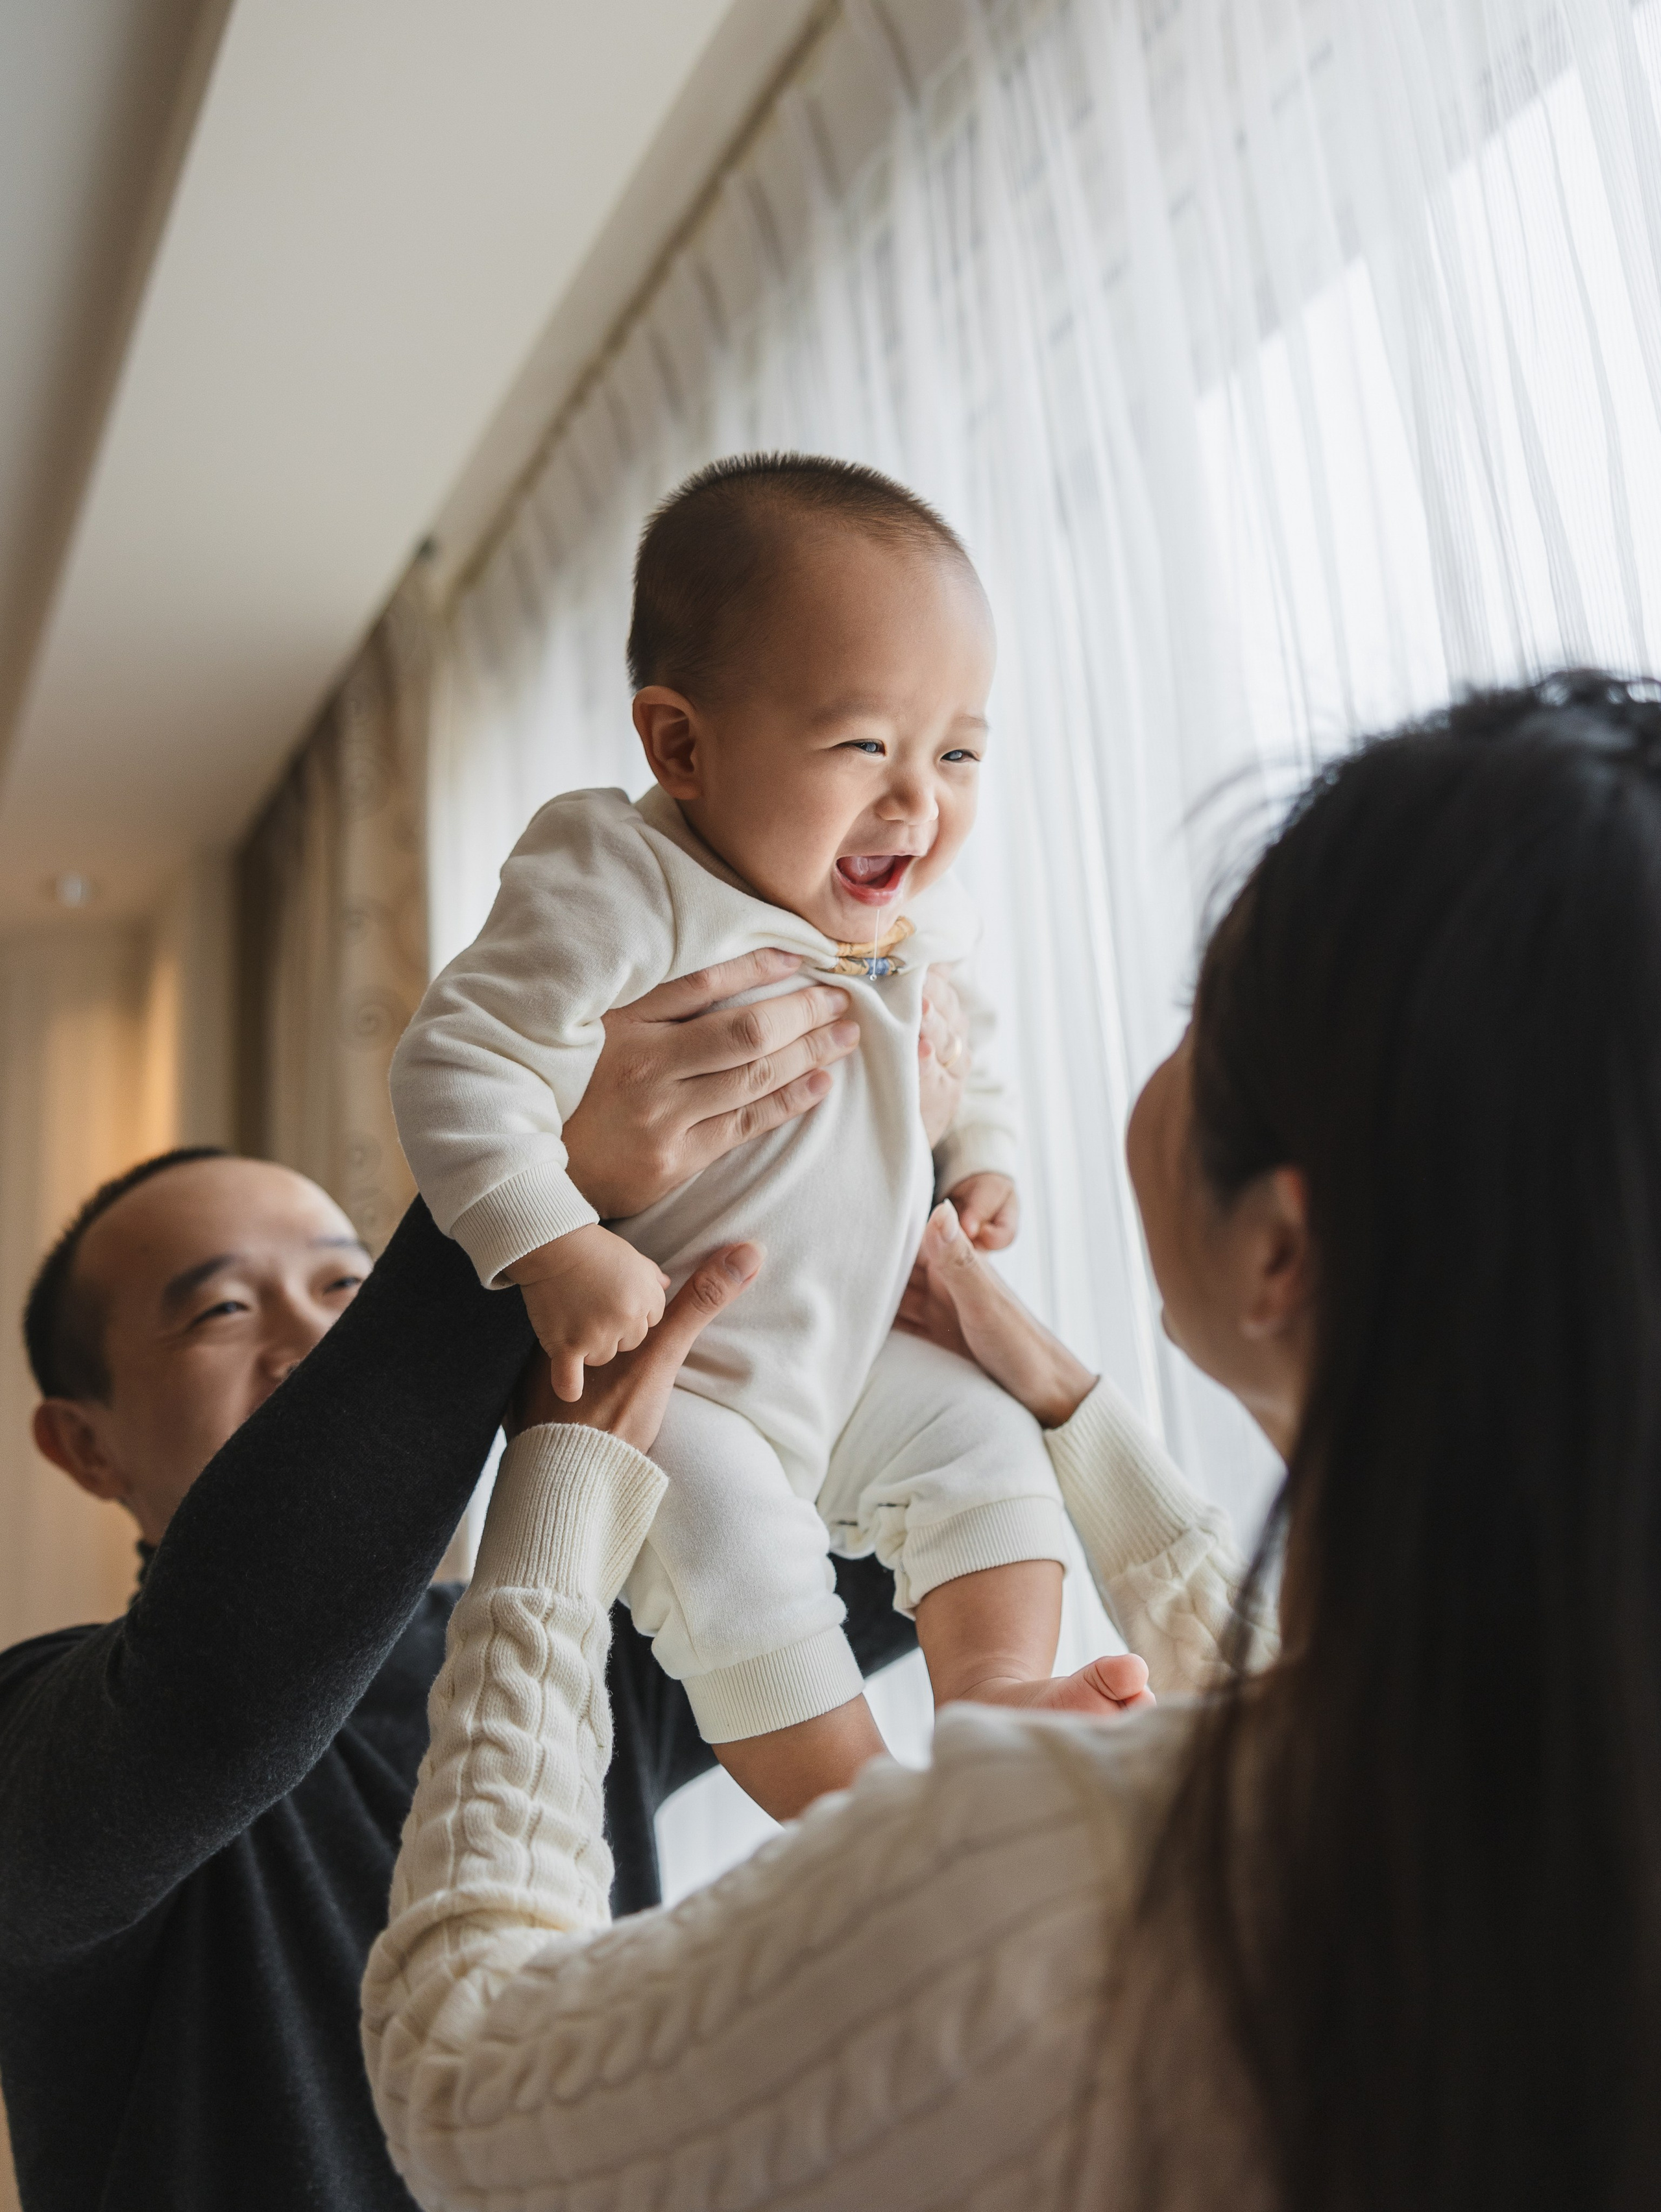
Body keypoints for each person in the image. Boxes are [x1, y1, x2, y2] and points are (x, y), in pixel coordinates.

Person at [364, 671, 1661, 2212]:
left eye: (1202, 1016)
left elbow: (463, 2087)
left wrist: (557, 1504)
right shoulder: (1538, 1777)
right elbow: (1301, 1706)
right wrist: (1056, 1393)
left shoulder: (1069, 1889)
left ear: (1280, 1250)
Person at [0, 952, 964, 2212]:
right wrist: (540, 1186)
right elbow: (223, 1694)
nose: (313, 1339)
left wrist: (880, 1157)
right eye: (223, 1310)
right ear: (84, 1444)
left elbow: (899, 1538)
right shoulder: (35, 1729)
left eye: (346, 1287)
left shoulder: (553, 1642)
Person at [392, 453, 1124, 1825]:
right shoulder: (621, 878)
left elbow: (967, 1039)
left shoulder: (902, 919)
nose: (918, 802)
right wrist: (548, 1238)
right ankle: (856, 1814)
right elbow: (459, 1062)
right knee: (726, 1556)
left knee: (983, 1447)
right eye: (862, 746)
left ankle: (996, 1693)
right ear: (680, 745)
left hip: (863, 1345)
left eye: (956, 751)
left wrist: (982, 1162)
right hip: (689, 1370)